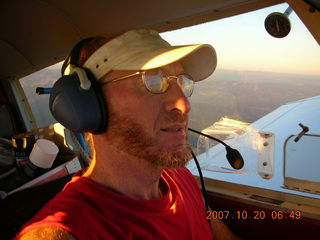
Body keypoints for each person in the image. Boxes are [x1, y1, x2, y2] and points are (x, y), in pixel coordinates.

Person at [15, 29, 239, 240]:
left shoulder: (181, 178)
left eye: (182, 81)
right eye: (152, 80)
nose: (183, 104)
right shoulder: (65, 230)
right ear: (88, 105)